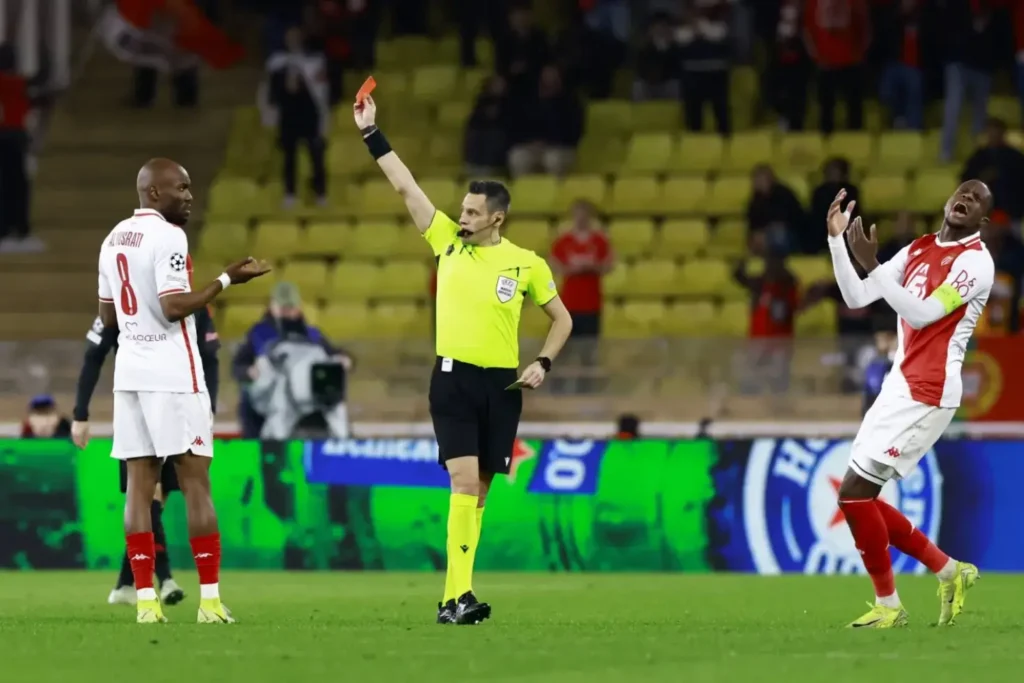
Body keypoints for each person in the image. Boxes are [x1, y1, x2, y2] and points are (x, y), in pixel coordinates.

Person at [352, 95, 573, 625]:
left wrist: (543, 362)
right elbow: (405, 186)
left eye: (473, 212)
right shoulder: (446, 240)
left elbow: (562, 320)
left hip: (502, 387)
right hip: (452, 381)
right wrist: (371, 133)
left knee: (480, 494)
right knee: (465, 483)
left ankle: (455, 598)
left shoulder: (526, 264)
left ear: (497, 218)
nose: (463, 217)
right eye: (463, 209)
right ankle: (458, 596)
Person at [96, 157, 270, 624]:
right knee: (196, 483)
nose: (190, 196)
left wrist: (137, 323)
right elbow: (174, 307)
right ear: (154, 192)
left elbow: (108, 317)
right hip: (173, 375)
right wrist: (227, 279)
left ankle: (145, 603)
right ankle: (209, 603)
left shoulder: (113, 238)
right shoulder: (169, 236)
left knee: (139, 489)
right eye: (182, 187)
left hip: (130, 375)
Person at [825, 182, 994, 628]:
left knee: (854, 493)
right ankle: (949, 571)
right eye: (963, 192)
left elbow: (922, 313)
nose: (966, 199)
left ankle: (890, 605)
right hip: (898, 386)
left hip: (928, 392)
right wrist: (837, 242)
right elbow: (857, 297)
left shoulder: (976, 263)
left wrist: (872, 264)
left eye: (977, 199)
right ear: (947, 200)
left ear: (982, 219)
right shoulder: (919, 248)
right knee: (858, 496)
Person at [71, 275, 221, 607]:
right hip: (140, 404)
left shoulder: (191, 304)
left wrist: (207, 409)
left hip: (178, 406)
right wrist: (80, 413)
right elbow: (94, 354)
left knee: (154, 501)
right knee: (147, 496)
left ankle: (127, 585)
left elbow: (210, 357)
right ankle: (163, 580)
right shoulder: (127, 303)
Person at [232, 282, 353, 439]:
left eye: (290, 307)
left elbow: (334, 354)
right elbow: (238, 365)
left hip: (308, 393)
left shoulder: (313, 335)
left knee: (333, 396)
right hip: (269, 394)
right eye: (282, 307)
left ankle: (341, 440)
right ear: (272, 306)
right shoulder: (258, 333)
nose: (286, 311)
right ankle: (257, 442)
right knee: (252, 398)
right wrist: (249, 371)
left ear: (298, 307)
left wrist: (344, 359)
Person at [267, 26, 329, 209]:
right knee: (289, 157)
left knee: (316, 156)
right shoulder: (276, 63)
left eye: (296, 37)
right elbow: (272, 93)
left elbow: (323, 88)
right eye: (290, 37)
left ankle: (320, 193)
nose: (293, 40)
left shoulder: (315, 60)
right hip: (288, 116)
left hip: (310, 114)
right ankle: (290, 194)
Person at [960, 118, 1024, 223]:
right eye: (990, 133)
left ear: (1003, 134)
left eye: (996, 133)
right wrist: (982, 178)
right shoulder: (978, 157)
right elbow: (965, 181)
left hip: (1010, 212)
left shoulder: (1015, 157)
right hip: (983, 213)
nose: (993, 136)